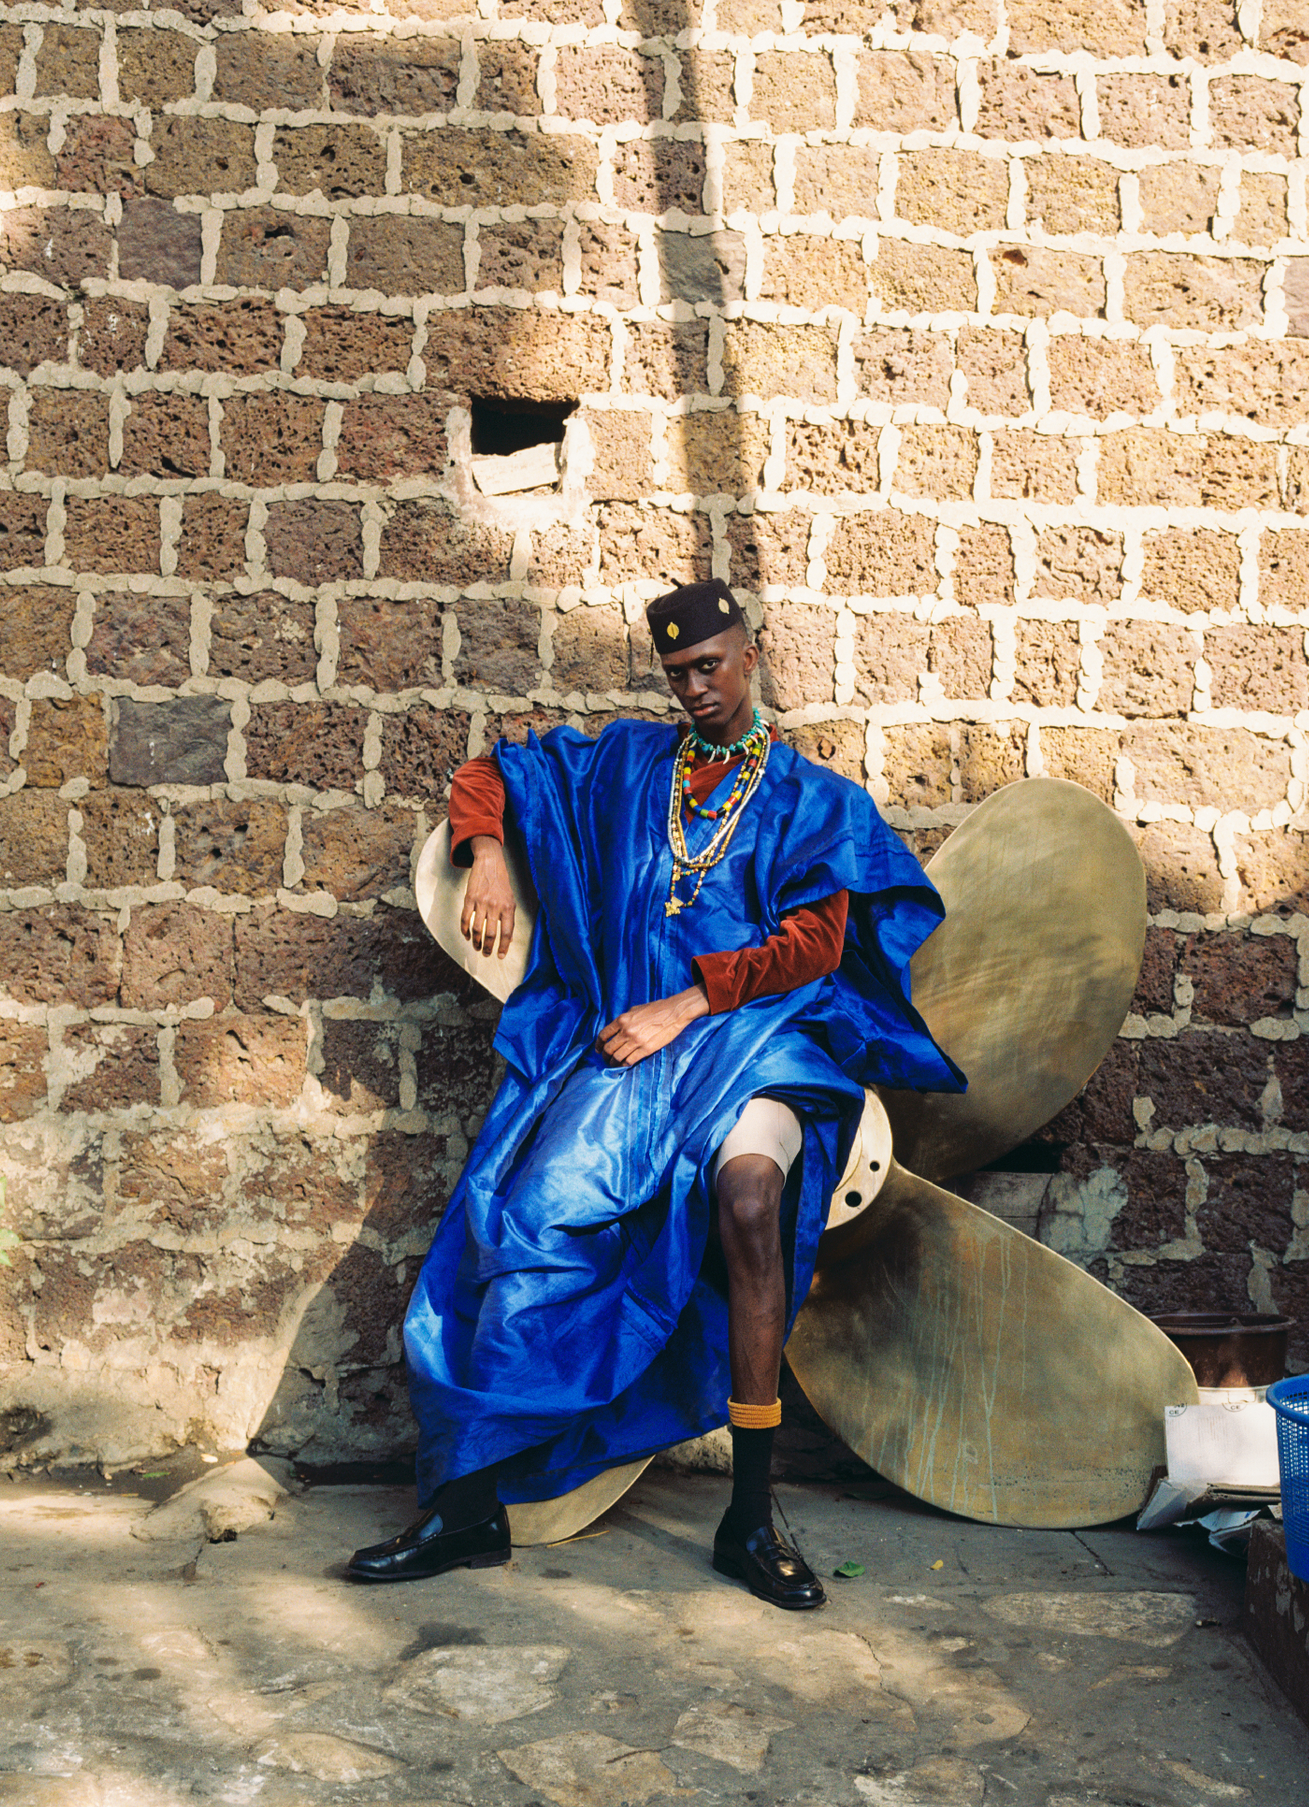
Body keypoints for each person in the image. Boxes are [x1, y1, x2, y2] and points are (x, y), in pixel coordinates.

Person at [347, 582, 963, 1608]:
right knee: (525, 1217)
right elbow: (492, 767)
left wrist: (689, 1003)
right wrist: (488, 855)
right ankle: (466, 1508)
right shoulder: (631, 766)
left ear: (751, 656)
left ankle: (751, 1518)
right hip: (630, 1059)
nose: (694, 687)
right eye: (678, 672)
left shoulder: (815, 801)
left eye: (711, 665)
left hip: (753, 1045)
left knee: (751, 1199)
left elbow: (812, 944)